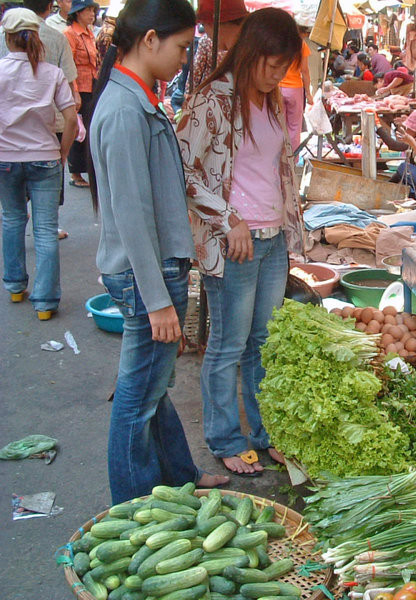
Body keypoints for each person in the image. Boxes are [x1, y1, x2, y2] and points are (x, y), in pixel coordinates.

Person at [89, 0, 230, 503]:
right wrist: (157, 300)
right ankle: (134, 507)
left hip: (152, 267)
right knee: (136, 398)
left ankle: (178, 477)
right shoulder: (125, 109)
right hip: (144, 272)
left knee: (152, 385)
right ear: (150, 39)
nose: (184, 58)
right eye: (181, 47)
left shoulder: (138, 98)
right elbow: (129, 214)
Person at [176, 8, 305, 476]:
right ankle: (226, 438)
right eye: (270, 64)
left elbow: (274, 167)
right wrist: (226, 217)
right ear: (250, 52)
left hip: (272, 241)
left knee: (263, 343)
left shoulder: (269, 100)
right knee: (228, 345)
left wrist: (291, 223)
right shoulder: (214, 98)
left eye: (282, 67)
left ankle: (266, 434)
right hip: (235, 243)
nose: (275, 75)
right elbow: (183, 170)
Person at [0, 8, 77, 319]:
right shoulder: (52, 74)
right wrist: (62, 152)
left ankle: (16, 286)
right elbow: (71, 119)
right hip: (45, 157)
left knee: (12, 219)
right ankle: (45, 304)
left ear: (7, 38)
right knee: (45, 230)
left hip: (5, 159)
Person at [63, 0, 98, 188]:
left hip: (91, 86)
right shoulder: (70, 34)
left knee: (89, 129)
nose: (91, 14)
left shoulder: (90, 33)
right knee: (79, 131)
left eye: (93, 10)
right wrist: (74, 93)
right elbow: (69, 66)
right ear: (77, 13)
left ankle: (87, 170)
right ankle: (75, 173)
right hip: (79, 88)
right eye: (87, 10)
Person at [191, 0, 247, 90]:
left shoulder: (247, 54)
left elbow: (195, 75)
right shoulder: (252, 46)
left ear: (211, 24)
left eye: (203, 24)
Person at [279, 24, 312, 151]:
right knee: (294, 127)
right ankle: (292, 160)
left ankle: (278, 158)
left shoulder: (278, 43)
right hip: (295, 89)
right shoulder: (301, 44)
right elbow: (305, 71)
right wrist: (308, 93)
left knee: (278, 125)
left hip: (278, 87)